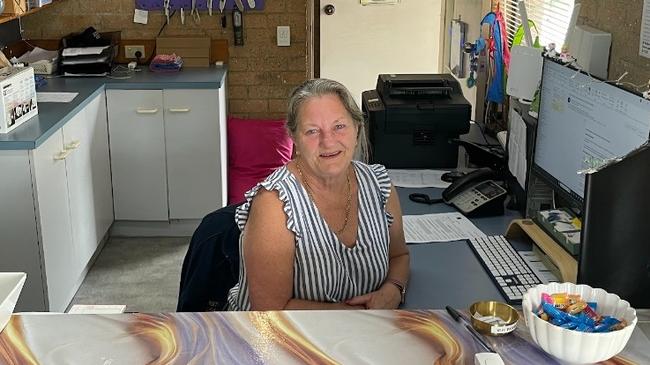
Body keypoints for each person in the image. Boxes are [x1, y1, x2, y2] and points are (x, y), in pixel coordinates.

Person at [226, 78, 410, 310]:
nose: (328, 141)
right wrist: (355, 318)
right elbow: (269, 310)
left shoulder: (379, 184)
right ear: (294, 139)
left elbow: (399, 256)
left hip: (362, 335)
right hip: (284, 338)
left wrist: (394, 288)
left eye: (339, 126)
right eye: (312, 131)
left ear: (357, 128)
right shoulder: (274, 205)